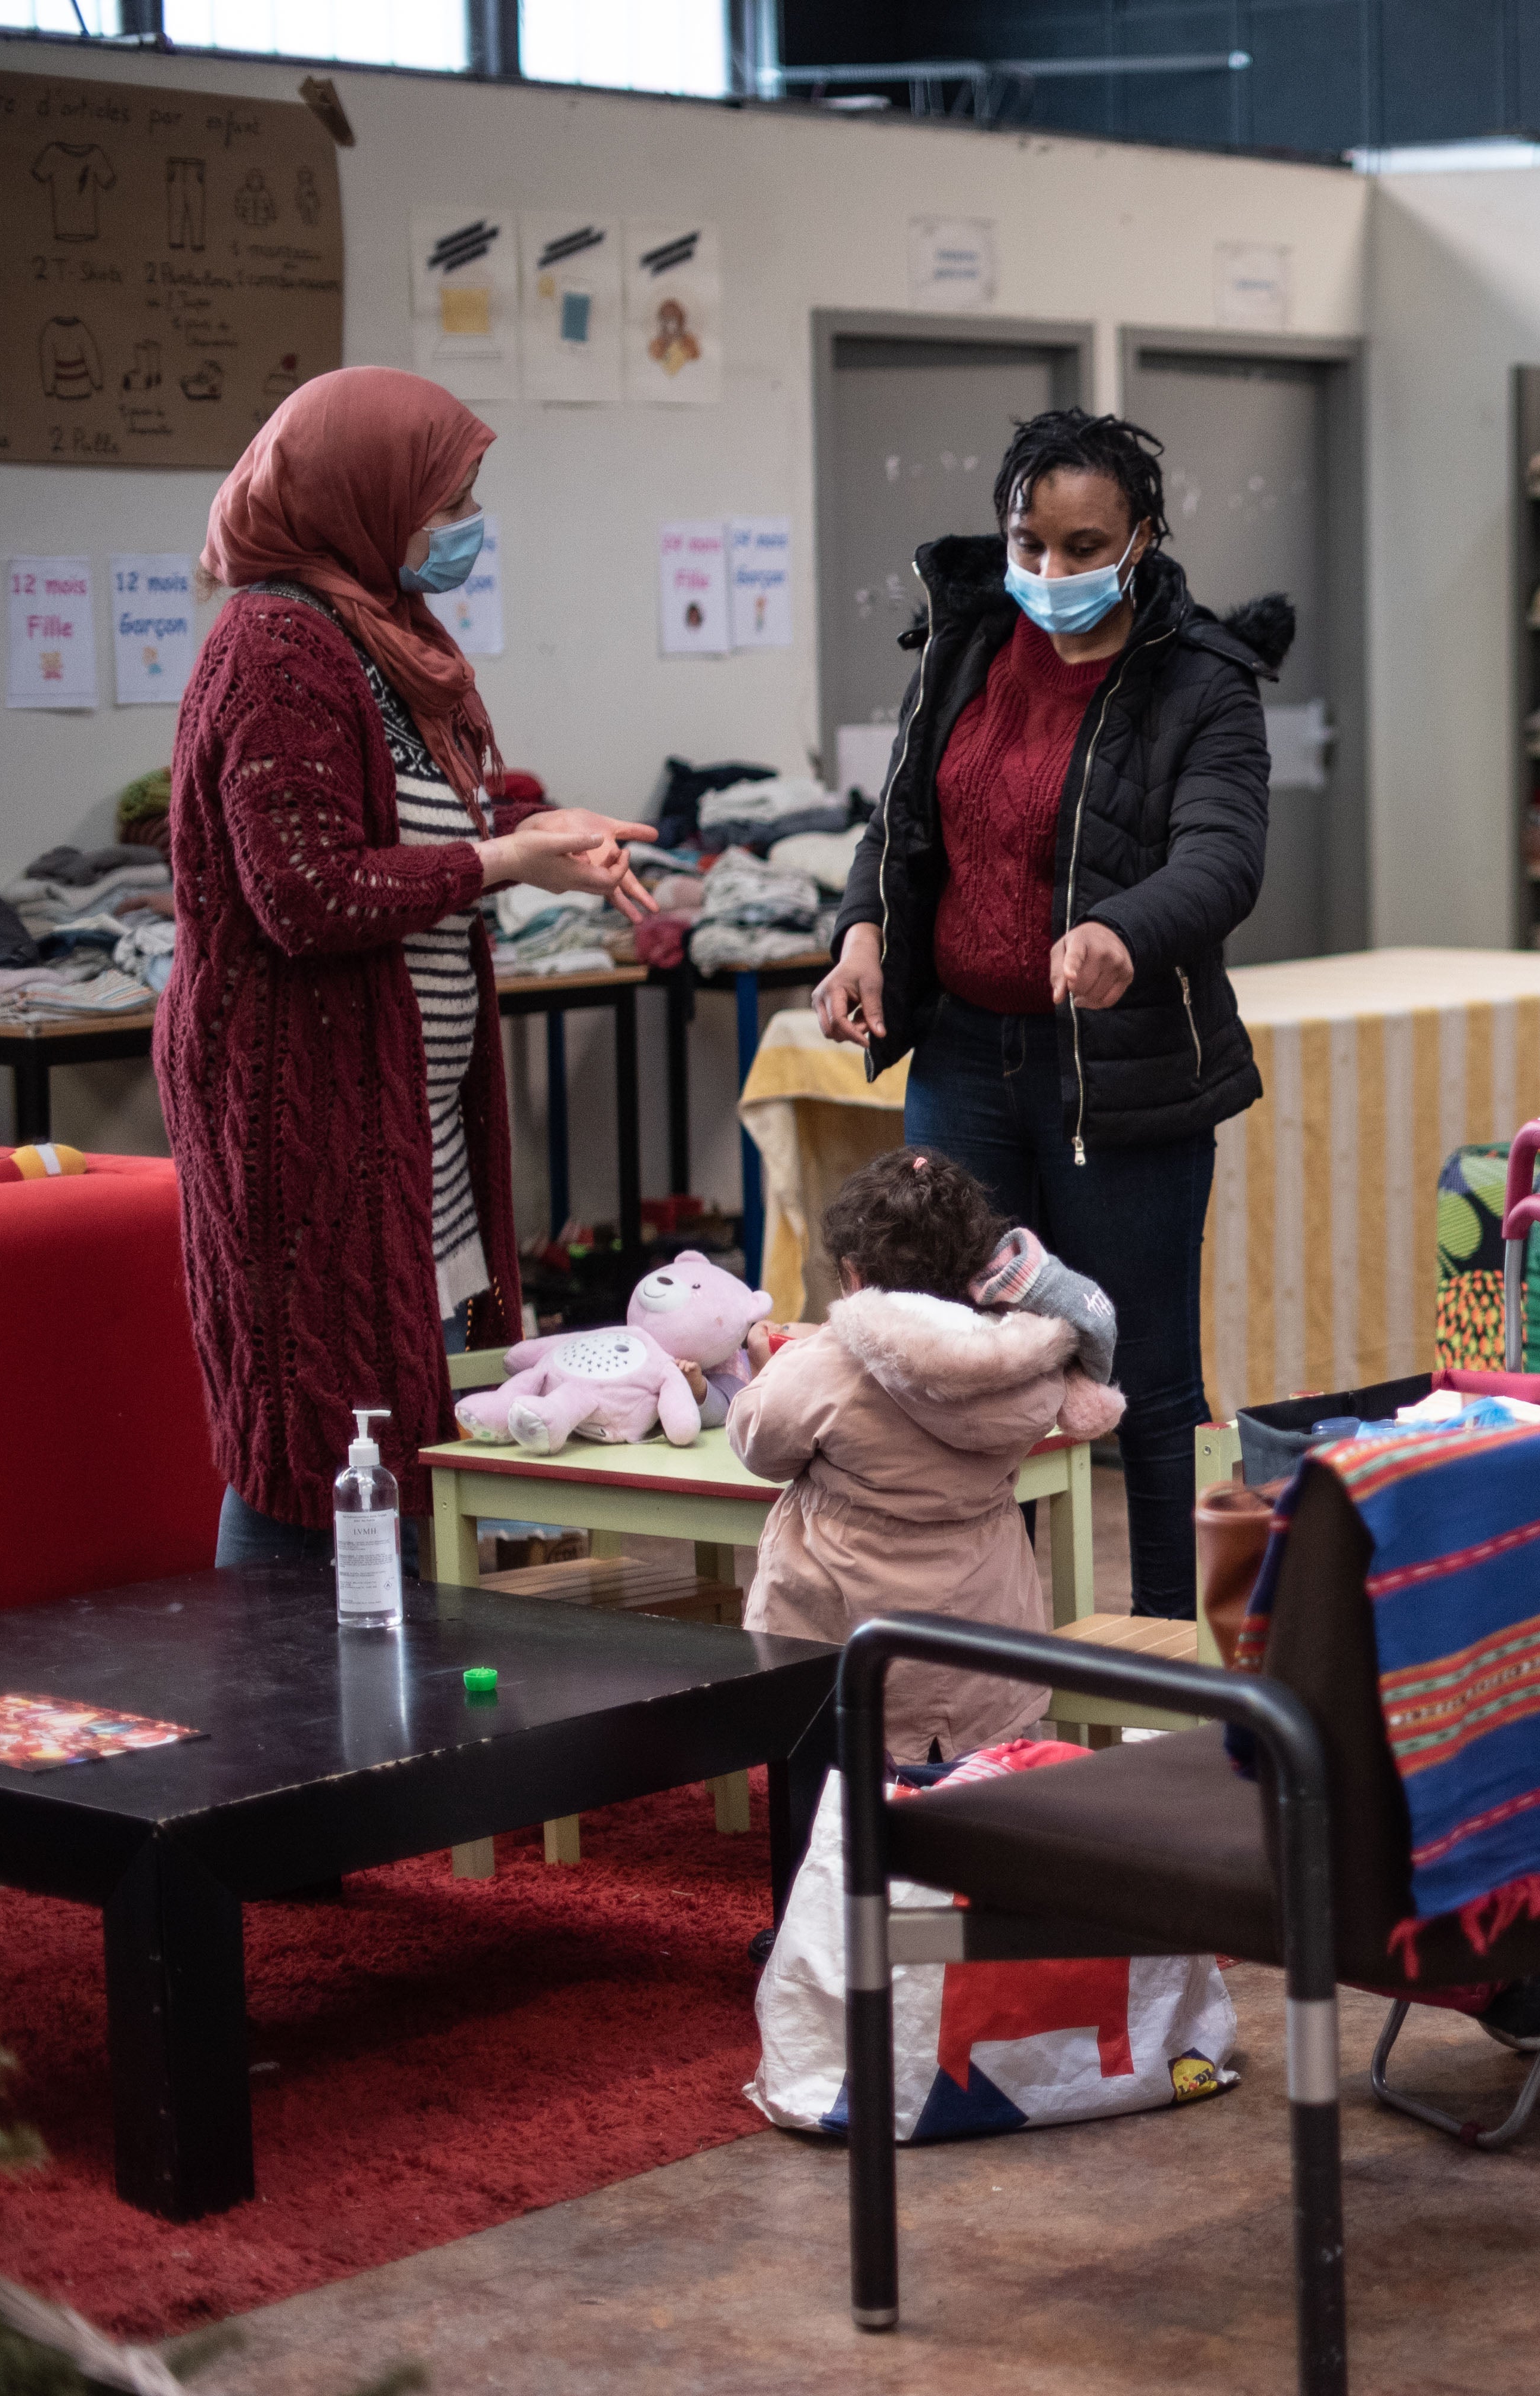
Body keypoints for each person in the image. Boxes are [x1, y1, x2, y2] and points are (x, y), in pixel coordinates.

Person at [162, 366, 653, 1566]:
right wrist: (503, 862)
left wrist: (532, 844)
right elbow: (307, 892)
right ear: (360, 496)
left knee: (426, 1406)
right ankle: (291, 1732)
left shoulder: (382, 637)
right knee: (320, 1448)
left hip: (410, 1125)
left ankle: (413, 1718)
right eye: (447, 502)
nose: (462, 528)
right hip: (313, 1129)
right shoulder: (276, 645)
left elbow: (415, 843)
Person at [816, 410, 1289, 1619]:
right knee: (957, 1364)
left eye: (1086, 547)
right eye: (1030, 540)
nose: (1053, 571)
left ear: (1141, 540)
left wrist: (1124, 929)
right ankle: (995, 1645)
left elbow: (1224, 857)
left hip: (1120, 1071)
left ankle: (1178, 1663)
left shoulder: (1202, 681)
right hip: (963, 1059)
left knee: (1147, 1381)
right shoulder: (964, 647)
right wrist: (863, 928)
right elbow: (900, 829)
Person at [725, 1147, 1122, 1759]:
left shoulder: (826, 1363)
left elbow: (760, 1446)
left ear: (853, 1275)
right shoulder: (1026, 1371)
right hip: (982, 1642)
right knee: (976, 1797)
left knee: (834, 1799)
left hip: (844, 1640)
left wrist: (766, 1369)